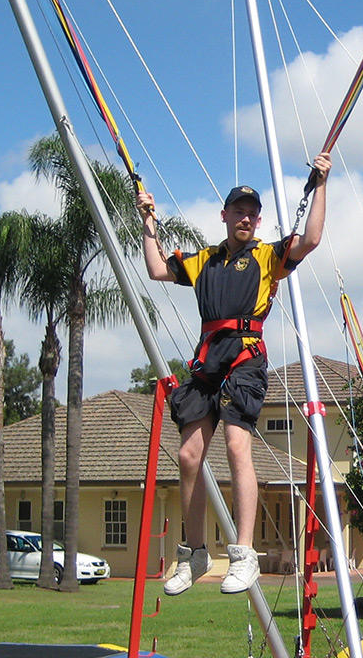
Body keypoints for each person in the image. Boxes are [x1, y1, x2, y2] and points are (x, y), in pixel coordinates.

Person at [137, 153, 330, 595]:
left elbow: (312, 238)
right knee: (189, 456)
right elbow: (156, 268)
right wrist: (147, 220)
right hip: (208, 359)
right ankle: (195, 552)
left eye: (252, 213)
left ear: (257, 222)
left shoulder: (267, 256)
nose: (245, 218)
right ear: (224, 216)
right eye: (238, 211)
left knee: (235, 443)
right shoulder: (204, 260)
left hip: (244, 356)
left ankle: (243, 553)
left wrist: (321, 185)